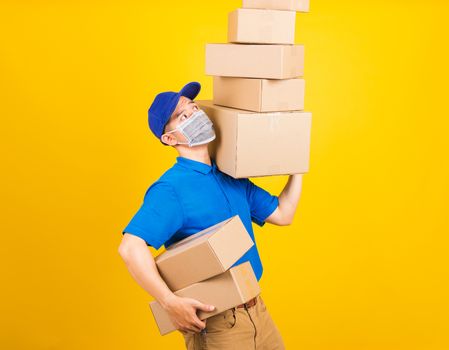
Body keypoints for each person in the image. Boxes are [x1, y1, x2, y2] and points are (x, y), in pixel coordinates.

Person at [118, 82, 303, 349]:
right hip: (217, 325)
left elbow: (284, 214)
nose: (196, 115)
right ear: (169, 138)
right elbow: (129, 247)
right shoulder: (171, 188)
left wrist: (298, 166)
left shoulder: (231, 175)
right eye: (184, 116)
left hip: (258, 310)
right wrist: (169, 302)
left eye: (195, 108)